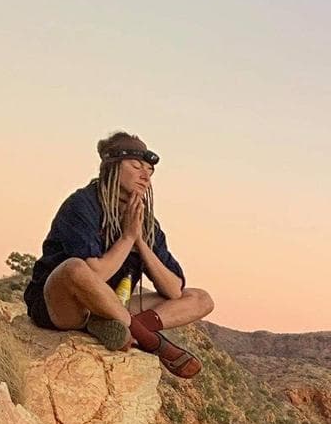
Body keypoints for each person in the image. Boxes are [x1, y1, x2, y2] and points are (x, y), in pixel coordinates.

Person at [23, 132, 213, 378]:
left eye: (150, 171)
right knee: (74, 268)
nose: (145, 176)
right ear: (111, 167)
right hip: (64, 305)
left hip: (110, 306)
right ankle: (150, 339)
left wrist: (140, 241)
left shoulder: (143, 220)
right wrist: (125, 239)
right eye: (136, 166)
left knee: (200, 298)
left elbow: (174, 290)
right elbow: (95, 274)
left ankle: (115, 326)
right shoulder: (82, 204)